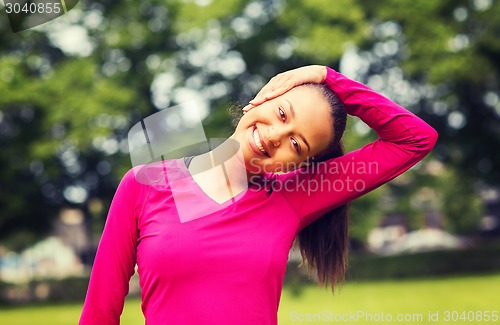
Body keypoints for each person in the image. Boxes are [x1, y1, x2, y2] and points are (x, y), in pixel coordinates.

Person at [78, 65, 438, 325]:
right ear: (264, 98)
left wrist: (330, 78)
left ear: (299, 163)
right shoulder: (144, 184)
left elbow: (414, 140)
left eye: (296, 144)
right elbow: (99, 312)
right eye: (281, 113)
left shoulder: (294, 197)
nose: (275, 136)